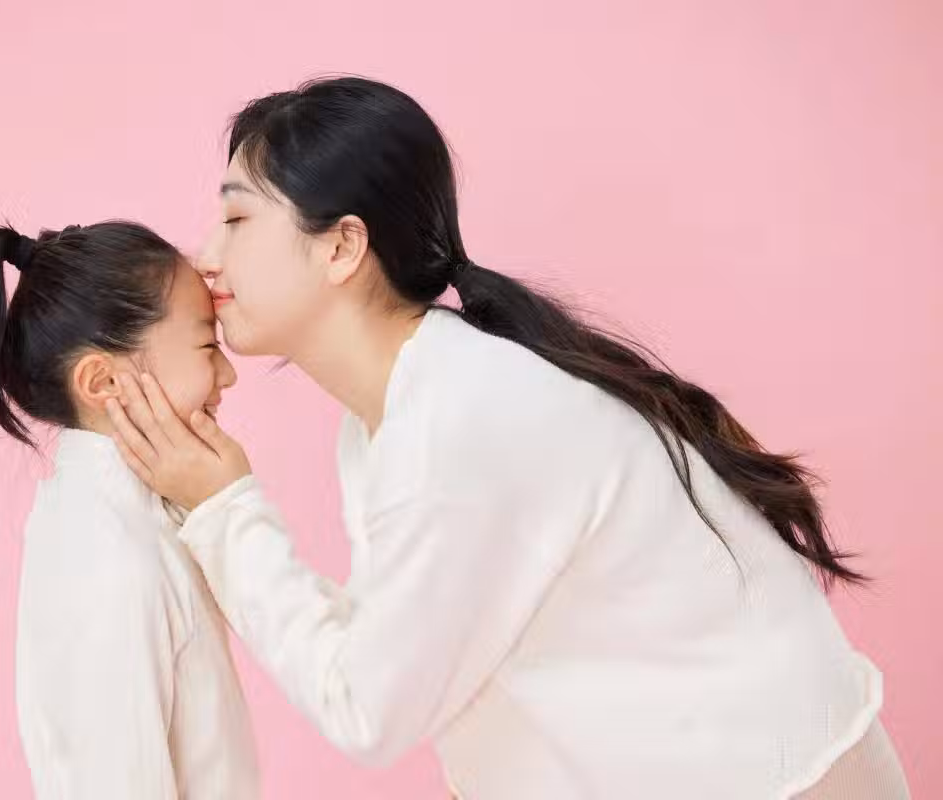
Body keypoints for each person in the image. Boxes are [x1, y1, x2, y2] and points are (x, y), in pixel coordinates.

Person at [106, 78, 909, 799]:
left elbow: (366, 709)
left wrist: (224, 509)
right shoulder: (405, 408)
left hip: (781, 779)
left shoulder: (461, 418)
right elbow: (418, 649)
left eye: (236, 218)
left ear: (342, 246)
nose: (206, 257)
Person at [0, 221, 259, 799]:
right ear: (103, 381)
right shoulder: (115, 555)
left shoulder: (116, 520)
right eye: (206, 346)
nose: (229, 372)